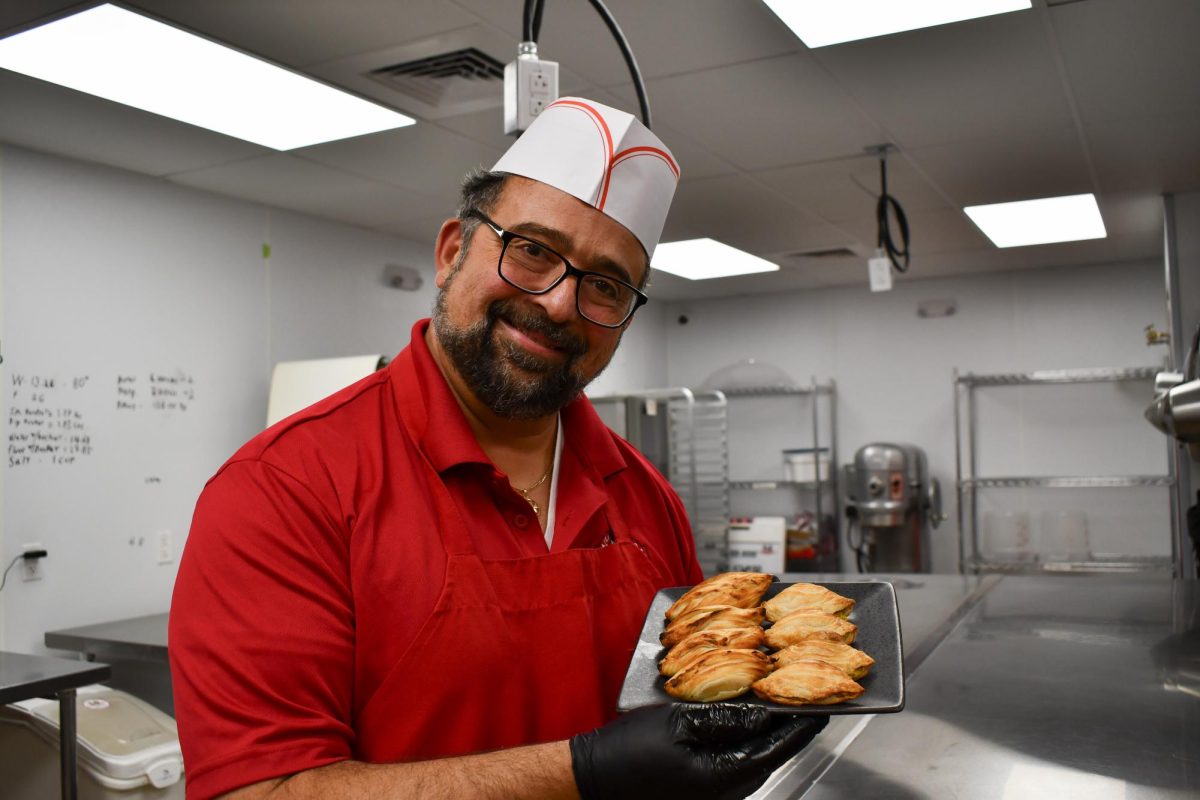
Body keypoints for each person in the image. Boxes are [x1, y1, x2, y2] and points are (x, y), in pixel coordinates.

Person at [169, 97, 827, 800]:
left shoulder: (646, 498)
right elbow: (261, 791)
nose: (558, 304)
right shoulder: (286, 490)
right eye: (534, 251)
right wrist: (582, 772)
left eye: (604, 285)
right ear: (454, 249)